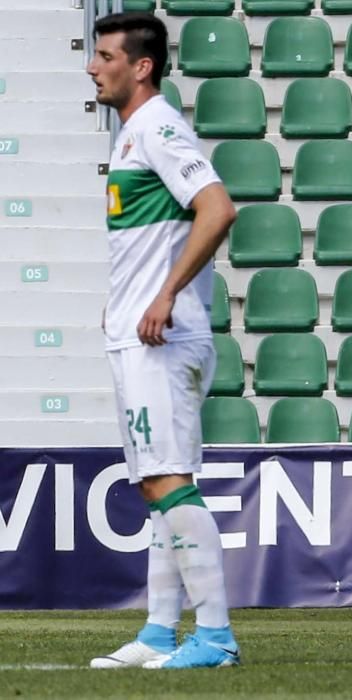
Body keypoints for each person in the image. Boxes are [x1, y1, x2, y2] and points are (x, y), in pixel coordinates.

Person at [86, 12, 239, 669]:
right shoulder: (130, 138)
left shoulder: (157, 126)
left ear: (140, 65)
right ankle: (157, 633)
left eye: (105, 56)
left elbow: (217, 207)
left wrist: (165, 294)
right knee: (155, 485)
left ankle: (214, 637)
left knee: (169, 480)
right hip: (136, 333)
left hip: (162, 339)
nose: (93, 67)